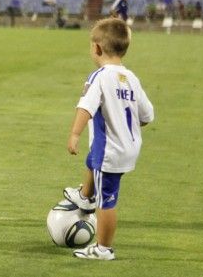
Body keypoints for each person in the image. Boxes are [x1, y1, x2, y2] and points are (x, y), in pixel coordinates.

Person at [63, 18, 154, 260]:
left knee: (107, 201)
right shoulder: (131, 78)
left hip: (110, 152)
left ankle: (103, 248)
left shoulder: (99, 77)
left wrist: (74, 134)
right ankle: (84, 196)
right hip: (128, 147)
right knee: (92, 158)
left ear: (97, 49)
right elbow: (147, 115)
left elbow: (86, 108)